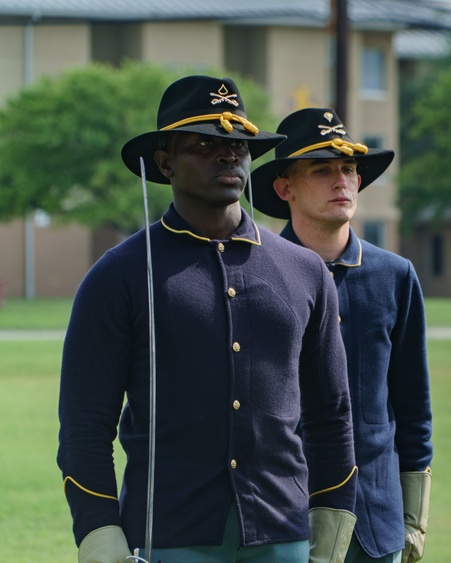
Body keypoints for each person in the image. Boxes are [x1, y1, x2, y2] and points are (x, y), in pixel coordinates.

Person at [57, 75, 358, 563]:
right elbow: (84, 426)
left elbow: (331, 416)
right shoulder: (120, 275)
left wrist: (331, 521)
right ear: (165, 161)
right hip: (168, 536)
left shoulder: (305, 272)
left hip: (284, 534)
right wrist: (99, 533)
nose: (228, 155)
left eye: (238, 144)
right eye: (205, 143)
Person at [249, 107, 433, 563]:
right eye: (322, 169)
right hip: (281, 520)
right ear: (284, 187)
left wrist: (414, 518)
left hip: (376, 525)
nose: (342, 181)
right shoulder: (252, 274)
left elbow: (412, 408)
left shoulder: (396, 275)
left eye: (349, 168)